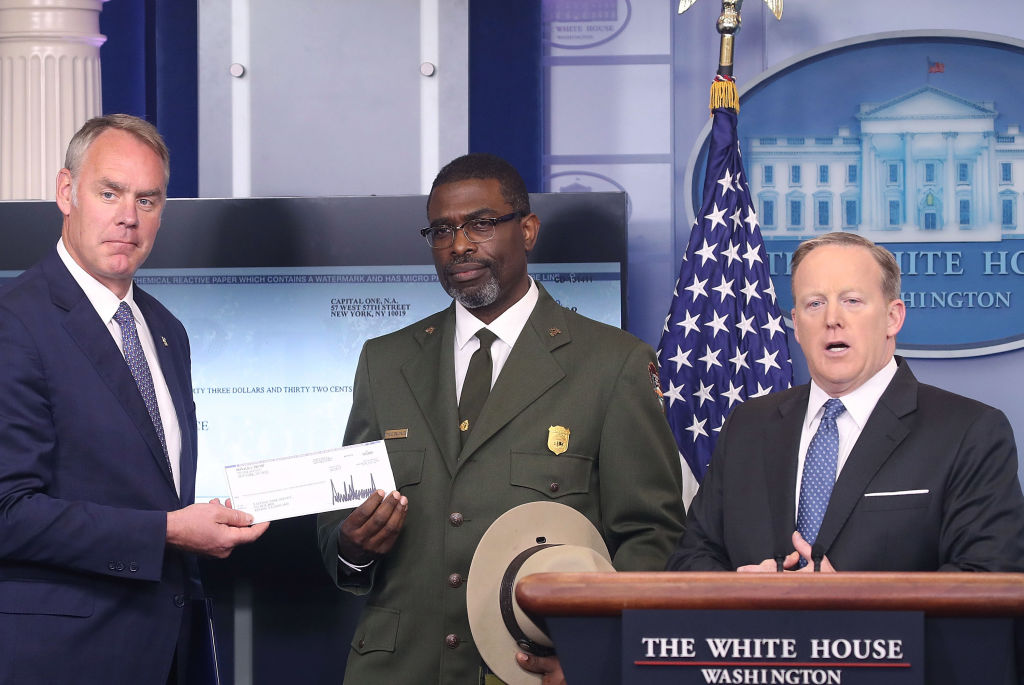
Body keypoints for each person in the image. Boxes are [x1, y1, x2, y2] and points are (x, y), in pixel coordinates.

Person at [317, 153, 685, 683]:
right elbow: (338, 530)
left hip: (533, 670)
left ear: (528, 230)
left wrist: (595, 654)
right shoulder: (384, 361)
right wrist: (352, 546)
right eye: (442, 230)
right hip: (398, 670)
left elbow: (653, 537)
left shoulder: (613, 364)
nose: (459, 245)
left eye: (481, 224)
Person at [0, 114, 268, 683]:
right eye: (110, 192)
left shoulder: (166, 329)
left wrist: (205, 521)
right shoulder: (15, 323)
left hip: (169, 651)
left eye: (147, 200)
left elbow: (148, 485)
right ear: (66, 193)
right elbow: (7, 512)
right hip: (63, 658)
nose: (128, 217)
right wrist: (169, 531)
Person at [668, 231, 1024, 573]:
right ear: (795, 322)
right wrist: (741, 591)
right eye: (814, 304)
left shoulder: (968, 432)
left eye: (852, 301)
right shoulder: (747, 425)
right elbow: (691, 558)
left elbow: (988, 576)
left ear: (892, 317)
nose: (832, 319)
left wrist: (855, 605)